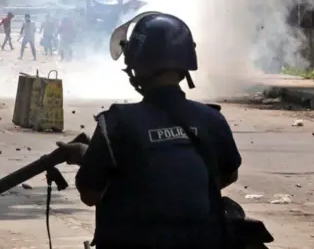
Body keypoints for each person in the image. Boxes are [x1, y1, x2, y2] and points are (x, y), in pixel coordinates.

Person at [55, 12, 241, 249]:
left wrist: (89, 157)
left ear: (135, 64)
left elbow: (89, 194)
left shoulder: (116, 123)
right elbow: (227, 175)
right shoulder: (212, 119)